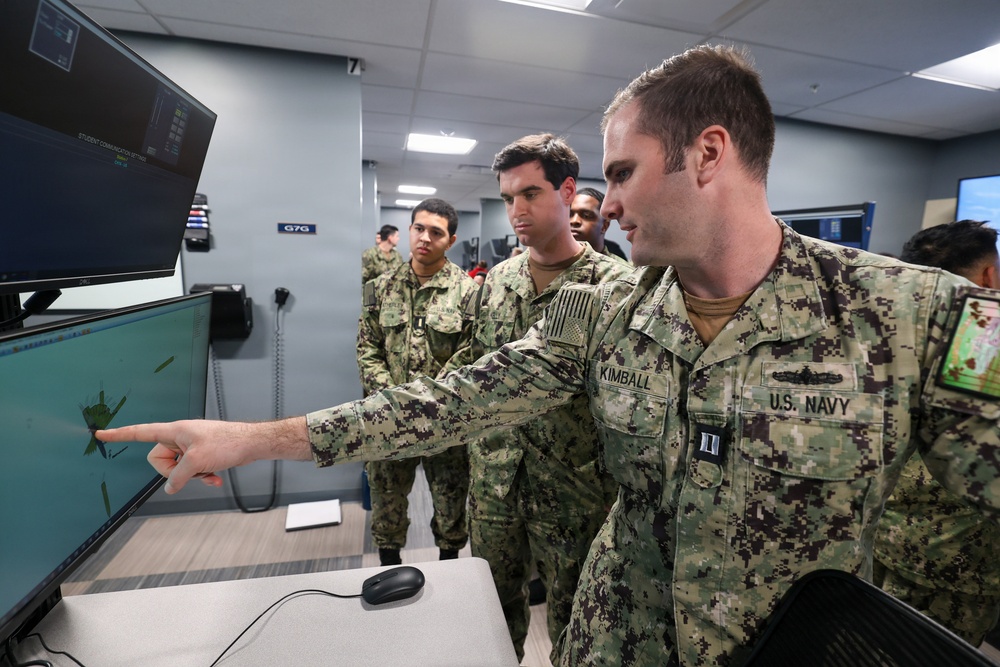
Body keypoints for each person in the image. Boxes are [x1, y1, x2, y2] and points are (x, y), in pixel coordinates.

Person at [96, 45, 1000, 667]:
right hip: (613, 638)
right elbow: (455, 399)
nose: (600, 206)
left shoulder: (917, 316)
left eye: (620, 172)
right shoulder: (606, 308)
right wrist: (251, 438)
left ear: (709, 153)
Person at [456, 134, 631, 659]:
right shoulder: (498, 281)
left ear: (567, 190)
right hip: (494, 485)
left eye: (530, 194)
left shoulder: (616, 288)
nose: (516, 211)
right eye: (509, 198)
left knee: (575, 625)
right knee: (488, 612)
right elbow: (474, 375)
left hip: (574, 493)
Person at [873, 219, 1000, 645]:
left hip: (877, 541)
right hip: (954, 562)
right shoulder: (984, 335)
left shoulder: (883, 327)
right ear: (989, 276)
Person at [358, 198, 478, 566]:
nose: (425, 238)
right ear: (409, 230)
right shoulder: (379, 288)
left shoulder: (468, 292)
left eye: (436, 232)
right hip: (388, 419)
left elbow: (471, 353)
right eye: (419, 228)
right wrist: (393, 398)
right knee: (386, 502)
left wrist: (427, 400)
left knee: (450, 504)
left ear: (451, 240)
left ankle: (449, 569)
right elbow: (367, 349)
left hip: (445, 422)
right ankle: (389, 566)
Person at [570, 186, 629, 263]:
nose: (574, 221)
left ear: (604, 226)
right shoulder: (551, 264)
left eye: (586, 216)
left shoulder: (622, 271)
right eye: (569, 215)